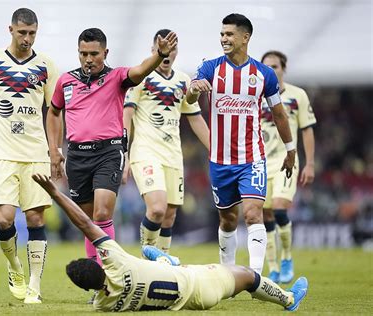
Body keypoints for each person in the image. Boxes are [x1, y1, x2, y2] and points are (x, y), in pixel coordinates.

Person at [32, 173, 308, 312]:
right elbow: (85, 223)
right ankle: (289, 299)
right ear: (102, 266)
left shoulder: (102, 305)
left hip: (187, 299)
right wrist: (55, 193)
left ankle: (166, 261)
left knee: (161, 266)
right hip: (200, 282)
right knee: (247, 276)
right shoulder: (116, 261)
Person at [47, 28, 177, 267]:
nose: (88, 59)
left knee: (102, 214)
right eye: (83, 53)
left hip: (108, 152)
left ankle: (109, 273)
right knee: (87, 220)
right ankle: (97, 276)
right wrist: (54, 149)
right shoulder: (66, 80)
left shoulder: (117, 77)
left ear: (105, 52)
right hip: (76, 156)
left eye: (94, 53)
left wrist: (159, 55)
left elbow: (140, 71)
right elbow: (54, 112)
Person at [186, 13, 296, 274]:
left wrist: (291, 150)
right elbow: (189, 98)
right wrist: (194, 88)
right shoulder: (210, 68)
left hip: (252, 158)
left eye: (229, 34)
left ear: (245, 37)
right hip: (220, 160)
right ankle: (228, 274)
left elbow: (279, 114)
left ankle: (256, 277)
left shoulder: (263, 74)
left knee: (253, 213)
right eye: (222, 34)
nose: (224, 38)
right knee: (228, 219)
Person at [0, 8, 59, 304]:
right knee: (4, 219)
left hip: (35, 153)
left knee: (35, 218)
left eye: (32, 33)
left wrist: (55, 149)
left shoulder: (46, 66)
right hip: (1, 153)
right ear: (10, 29)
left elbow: (54, 111)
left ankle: (34, 285)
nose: (27, 39)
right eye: (22, 33)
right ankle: (14, 266)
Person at [123, 29, 209, 254]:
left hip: (172, 155)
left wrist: (217, 151)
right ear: (154, 51)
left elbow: (196, 119)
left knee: (169, 216)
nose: (168, 53)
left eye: (173, 49)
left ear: (177, 52)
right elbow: (127, 114)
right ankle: (147, 259)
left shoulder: (183, 80)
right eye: (163, 48)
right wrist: (123, 151)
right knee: (157, 209)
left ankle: (163, 266)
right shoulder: (142, 76)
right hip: (145, 152)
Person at [260, 51, 317, 283]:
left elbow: (307, 129)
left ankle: (286, 258)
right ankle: (273, 267)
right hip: (261, 162)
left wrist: (310, 163)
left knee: (280, 208)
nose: (271, 70)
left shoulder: (297, 96)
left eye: (275, 66)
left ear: (284, 68)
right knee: (266, 215)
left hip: (287, 161)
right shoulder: (256, 95)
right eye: (266, 67)